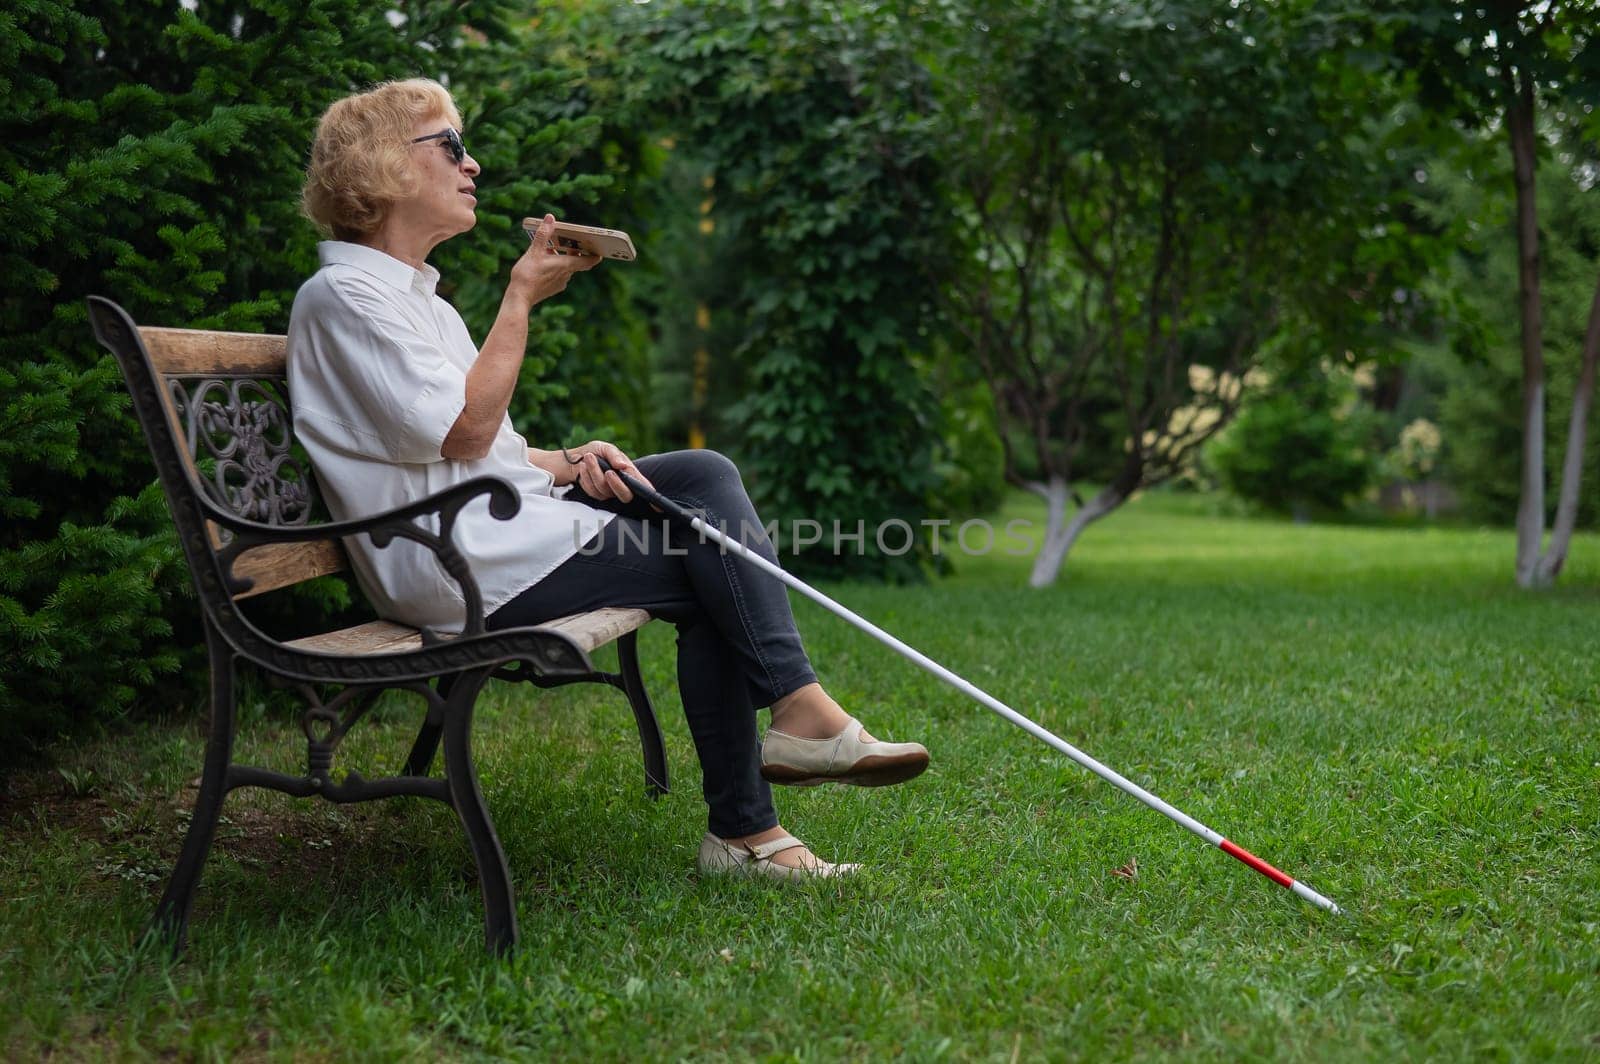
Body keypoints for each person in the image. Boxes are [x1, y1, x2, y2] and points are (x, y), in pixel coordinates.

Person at [287, 78, 929, 879]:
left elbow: (474, 449)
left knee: (701, 472)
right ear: (381, 165)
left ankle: (789, 737)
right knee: (711, 573)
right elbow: (463, 431)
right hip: (453, 563)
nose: (472, 164)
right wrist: (521, 296)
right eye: (450, 145)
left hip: (492, 528)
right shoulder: (344, 296)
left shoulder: (422, 303)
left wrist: (568, 463)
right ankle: (750, 824)